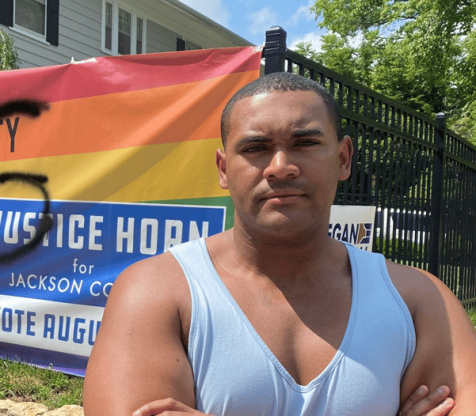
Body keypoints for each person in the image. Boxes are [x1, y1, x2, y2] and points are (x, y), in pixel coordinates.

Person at [83, 73, 476, 415]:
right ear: (224, 169)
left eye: (305, 143)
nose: (280, 167)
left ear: (343, 158)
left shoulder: (419, 302)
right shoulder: (156, 292)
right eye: (255, 149)